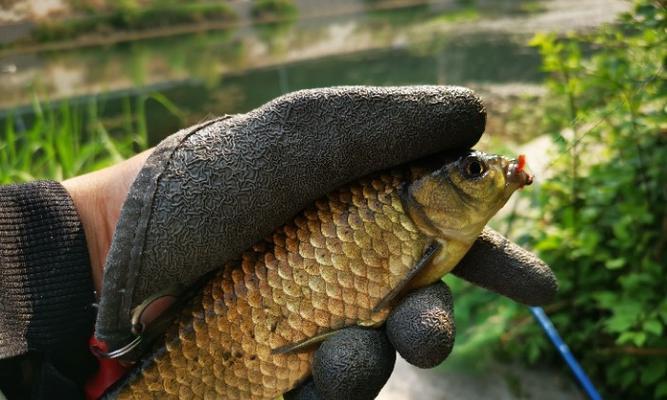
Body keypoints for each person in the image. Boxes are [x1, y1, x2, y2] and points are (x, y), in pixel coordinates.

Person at [0, 86, 557, 400]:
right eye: (473, 171)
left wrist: (92, 236)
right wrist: (100, 230)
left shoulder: (429, 225)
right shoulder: (418, 222)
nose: (491, 173)